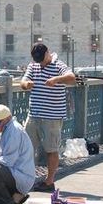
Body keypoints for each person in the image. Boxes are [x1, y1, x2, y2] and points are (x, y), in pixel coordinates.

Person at [20, 42, 76, 192]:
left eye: (41, 59)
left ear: (47, 53)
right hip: (33, 115)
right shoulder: (33, 65)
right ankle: (26, 179)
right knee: (26, 148)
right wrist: (27, 84)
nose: (39, 62)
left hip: (52, 116)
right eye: (36, 59)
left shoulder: (58, 64)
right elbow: (23, 82)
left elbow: (72, 78)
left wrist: (56, 79)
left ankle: (49, 181)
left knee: (51, 149)